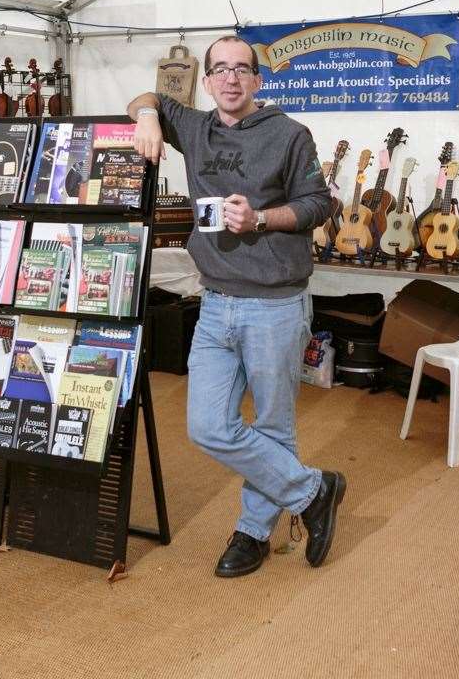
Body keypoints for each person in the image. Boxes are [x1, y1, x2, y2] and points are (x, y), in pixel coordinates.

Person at [128, 35, 346, 578]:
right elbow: (143, 98)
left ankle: (253, 532)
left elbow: (320, 203)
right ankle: (313, 490)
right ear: (206, 81)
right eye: (220, 70)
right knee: (207, 427)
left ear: (257, 80)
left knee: (273, 426)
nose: (230, 79)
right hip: (215, 303)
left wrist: (261, 219)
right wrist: (148, 118)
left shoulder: (290, 135)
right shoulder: (194, 126)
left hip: (275, 305)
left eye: (242, 70)